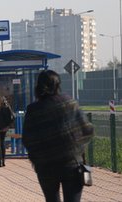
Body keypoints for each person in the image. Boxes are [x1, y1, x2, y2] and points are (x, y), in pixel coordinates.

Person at [22, 70, 94, 202]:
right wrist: (77, 148)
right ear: (57, 85)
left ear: (38, 87)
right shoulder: (70, 103)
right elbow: (88, 129)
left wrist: (37, 159)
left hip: (45, 167)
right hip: (72, 164)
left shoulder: (33, 109)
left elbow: (27, 138)